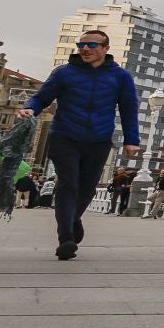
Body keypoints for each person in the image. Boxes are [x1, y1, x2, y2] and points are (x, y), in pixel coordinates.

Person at [20, 28, 139, 260]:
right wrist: (30, 108)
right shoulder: (64, 73)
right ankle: (66, 238)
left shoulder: (120, 77)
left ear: (105, 49)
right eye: (81, 44)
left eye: (92, 45)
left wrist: (131, 140)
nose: (85, 49)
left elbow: (128, 109)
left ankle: (73, 219)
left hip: (99, 140)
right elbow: (42, 97)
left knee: (87, 188)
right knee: (68, 184)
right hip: (65, 136)